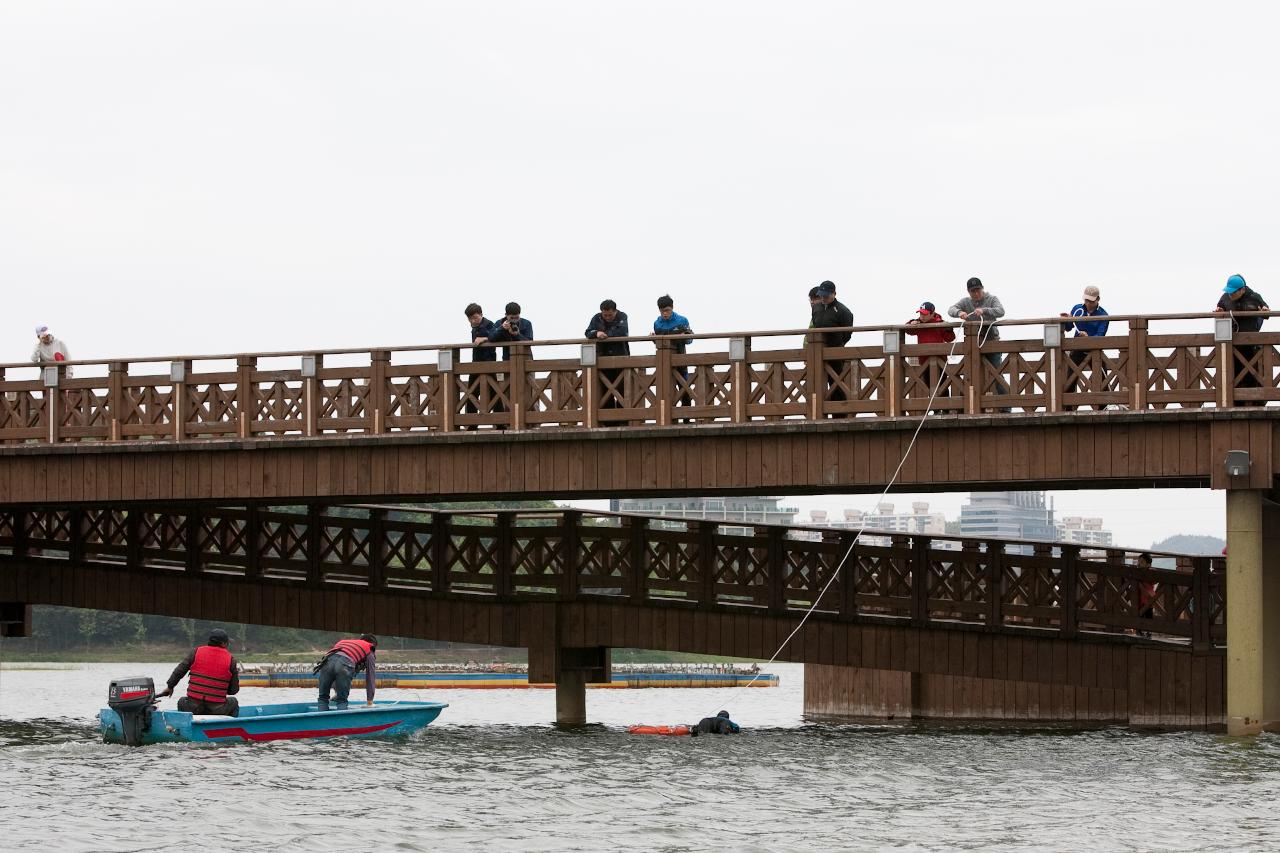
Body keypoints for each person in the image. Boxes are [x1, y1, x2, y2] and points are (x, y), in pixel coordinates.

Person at [948, 278, 1009, 407]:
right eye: (972, 291)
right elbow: (951, 309)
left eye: (978, 290)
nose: (976, 293)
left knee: (997, 375)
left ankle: (1006, 407)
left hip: (992, 342)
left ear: (982, 288)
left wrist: (985, 310)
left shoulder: (992, 299)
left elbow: (1001, 311)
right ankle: (963, 407)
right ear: (968, 292)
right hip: (972, 345)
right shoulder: (965, 302)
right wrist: (960, 312)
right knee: (969, 374)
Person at [157, 627, 241, 717]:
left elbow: (179, 671)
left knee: (182, 701)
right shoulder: (231, 660)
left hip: (193, 708)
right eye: (227, 643)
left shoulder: (196, 652)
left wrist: (170, 687)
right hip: (217, 709)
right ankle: (228, 728)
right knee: (234, 702)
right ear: (223, 644)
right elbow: (233, 691)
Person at [1215, 274, 1270, 403]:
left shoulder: (1254, 297)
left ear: (1242, 290)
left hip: (1252, 344)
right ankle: (1236, 403)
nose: (1230, 295)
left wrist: (1264, 310)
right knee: (1234, 375)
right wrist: (1219, 310)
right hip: (1233, 345)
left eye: (1233, 292)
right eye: (1228, 291)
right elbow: (1220, 308)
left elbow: (1266, 313)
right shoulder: (1225, 298)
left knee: (1253, 375)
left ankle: (1258, 403)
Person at [1060, 285, 1111, 410]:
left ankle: (1103, 406)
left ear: (1097, 299)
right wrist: (1066, 320)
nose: (1088, 303)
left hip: (1094, 351)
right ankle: (1069, 407)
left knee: (1101, 377)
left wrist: (1088, 336)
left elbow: (1100, 335)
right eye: (1086, 300)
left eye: (1091, 301)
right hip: (1077, 347)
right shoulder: (1077, 308)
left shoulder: (1103, 315)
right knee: (1071, 376)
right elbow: (1069, 328)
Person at [810, 281, 854, 412]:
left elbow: (847, 333)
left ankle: (839, 412)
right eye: (821, 295)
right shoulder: (816, 308)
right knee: (816, 381)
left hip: (835, 350)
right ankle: (816, 410)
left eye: (826, 295)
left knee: (836, 382)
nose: (823, 298)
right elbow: (814, 325)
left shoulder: (843, 311)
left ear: (834, 294)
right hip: (817, 351)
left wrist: (838, 344)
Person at [904, 301, 955, 403]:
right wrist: (911, 323)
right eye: (920, 313)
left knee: (942, 383)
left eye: (925, 314)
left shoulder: (940, 323)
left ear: (932, 314)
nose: (922, 316)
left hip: (940, 360)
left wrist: (948, 329)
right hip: (924, 361)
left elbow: (950, 338)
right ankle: (935, 408)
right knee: (928, 385)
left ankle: (945, 408)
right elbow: (908, 330)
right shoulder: (918, 323)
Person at [652, 295, 694, 415]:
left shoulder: (682, 320)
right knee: (665, 388)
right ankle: (667, 417)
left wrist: (684, 336)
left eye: (667, 311)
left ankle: (687, 417)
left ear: (672, 308)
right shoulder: (657, 323)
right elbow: (658, 343)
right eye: (662, 311)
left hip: (680, 358)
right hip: (663, 361)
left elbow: (690, 340)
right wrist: (654, 339)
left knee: (684, 387)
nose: (665, 314)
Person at [585, 299, 630, 411]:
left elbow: (622, 331)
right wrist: (596, 333)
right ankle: (608, 420)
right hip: (602, 359)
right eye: (605, 315)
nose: (607, 317)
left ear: (615, 311)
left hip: (620, 357)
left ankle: (623, 418)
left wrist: (605, 335)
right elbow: (588, 332)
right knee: (605, 388)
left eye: (610, 315)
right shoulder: (596, 318)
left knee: (622, 388)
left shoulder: (622, 316)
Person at [315, 633, 378, 711]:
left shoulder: (344, 642)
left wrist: (337, 693)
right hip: (345, 664)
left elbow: (335, 667)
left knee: (323, 698)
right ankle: (341, 721)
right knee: (342, 701)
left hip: (327, 662)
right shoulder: (369, 649)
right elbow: (370, 677)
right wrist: (370, 701)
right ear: (373, 644)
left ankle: (322, 720)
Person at [462, 303, 501, 420]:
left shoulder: (489, 324)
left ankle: (500, 421)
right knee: (472, 392)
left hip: (489, 362)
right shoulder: (474, 327)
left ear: (481, 314)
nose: (473, 321)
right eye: (470, 319)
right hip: (476, 363)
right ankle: (471, 422)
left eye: (475, 318)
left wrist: (485, 338)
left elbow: (497, 335)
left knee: (494, 392)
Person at [1136, 553, 1156, 638]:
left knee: (1148, 616)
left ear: (1148, 564)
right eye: (1138, 561)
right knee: (1140, 615)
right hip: (1140, 599)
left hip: (1148, 598)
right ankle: (1139, 631)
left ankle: (1149, 632)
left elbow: (1154, 581)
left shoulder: (1151, 573)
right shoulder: (1138, 572)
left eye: (1142, 562)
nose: (1139, 563)